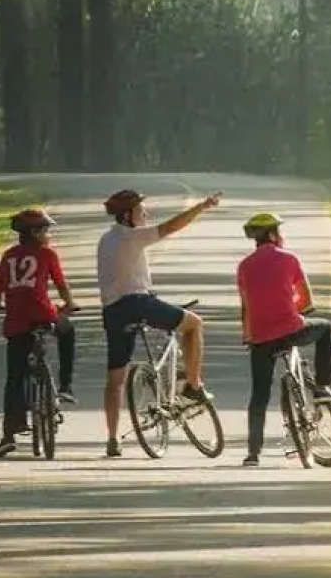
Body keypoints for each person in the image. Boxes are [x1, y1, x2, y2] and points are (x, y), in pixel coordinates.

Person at [96, 187, 223, 458]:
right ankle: (193, 386)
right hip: (137, 303)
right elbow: (169, 227)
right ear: (128, 215)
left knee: (115, 378)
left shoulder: (106, 240)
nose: (146, 214)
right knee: (194, 324)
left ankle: (112, 439)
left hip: (112, 311)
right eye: (142, 210)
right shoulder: (131, 236)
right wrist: (200, 207)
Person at [234, 211, 331, 468]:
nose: (281, 236)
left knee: (259, 394)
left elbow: (246, 306)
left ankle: (253, 453)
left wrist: (248, 335)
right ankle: (322, 387)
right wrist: (295, 309)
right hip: (291, 329)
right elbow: (307, 300)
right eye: (278, 232)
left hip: (259, 338)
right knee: (325, 329)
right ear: (271, 235)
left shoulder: (244, 266)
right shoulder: (289, 259)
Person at [0, 208, 78, 459]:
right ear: (35, 233)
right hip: (43, 314)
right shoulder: (47, 254)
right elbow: (60, 283)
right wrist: (69, 304)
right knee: (67, 331)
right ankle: (66, 385)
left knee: (14, 377)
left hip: (16, 321)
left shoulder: (8, 256)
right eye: (45, 230)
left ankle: (9, 434)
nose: (48, 235)